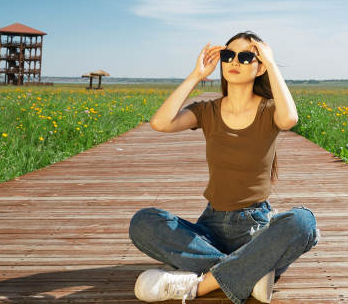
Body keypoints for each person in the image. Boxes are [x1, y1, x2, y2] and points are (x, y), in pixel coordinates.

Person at [129, 31, 320, 304]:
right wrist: (196, 75)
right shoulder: (208, 111)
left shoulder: (269, 110)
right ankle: (250, 271)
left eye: (246, 57)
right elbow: (160, 123)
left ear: (260, 66)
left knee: (304, 223)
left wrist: (272, 62)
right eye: (229, 55)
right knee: (144, 222)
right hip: (210, 227)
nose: (235, 62)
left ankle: (200, 284)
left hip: (256, 228)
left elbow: (290, 118)